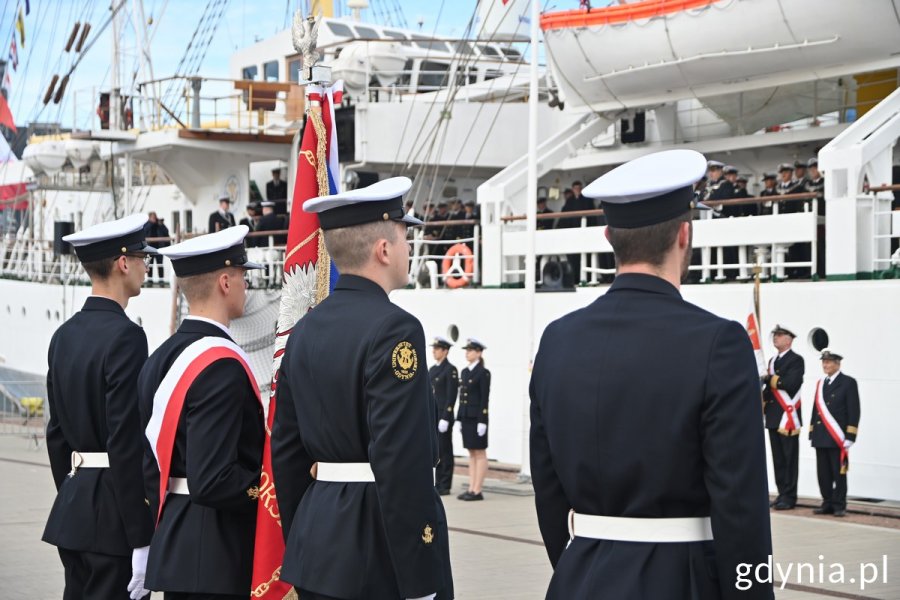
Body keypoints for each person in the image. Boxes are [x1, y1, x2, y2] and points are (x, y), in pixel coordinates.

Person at [530, 149, 773, 600]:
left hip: (578, 576)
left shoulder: (557, 340)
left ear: (608, 236)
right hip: (684, 580)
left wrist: (573, 565)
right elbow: (741, 508)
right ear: (684, 235)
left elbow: (547, 488)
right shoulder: (719, 343)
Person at [271, 177, 453, 600]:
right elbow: (399, 460)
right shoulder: (396, 329)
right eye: (406, 237)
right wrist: (421, 577)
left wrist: (308, 530)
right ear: (384, 249)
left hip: (317, 547)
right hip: (379, 556)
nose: (410, 248)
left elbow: (285, 448)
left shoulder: (303, 331)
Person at [138, 225, 265, 599]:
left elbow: (148, 462)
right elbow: (213, 478)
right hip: (217, 553)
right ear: (225, 282)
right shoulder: (220, 365)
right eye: (243, 276)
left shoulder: (160, 357)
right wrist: (270, 491)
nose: (247, 285)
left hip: (177, 539)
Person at [44, 214, 157, 600]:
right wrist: (141, 534)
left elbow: (57, 434)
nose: (147, 264)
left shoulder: (63, 336)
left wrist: (76, 493)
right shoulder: (127, 337)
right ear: (123, 263)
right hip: (114, 520)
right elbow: (125, 440)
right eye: (142, 256)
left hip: (74, 511)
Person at [810, 349, 860, 518]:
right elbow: (815, 409)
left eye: (829, 362)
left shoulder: (848, 383)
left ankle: (839, 504)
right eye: (824, 362)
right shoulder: (821, 383)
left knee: (839, 473)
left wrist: (850, 435)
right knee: (823, 473)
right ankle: (827, 502)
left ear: (838, 364)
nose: (826, 365)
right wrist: (812, 431)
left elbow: (854, 410)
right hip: (821, 435)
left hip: (837, 437)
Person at [762, 324, 804, 510]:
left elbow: (790, 384)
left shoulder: (796, 360)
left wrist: (768, 379)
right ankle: (781, 494)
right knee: (778, 459)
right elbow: (770, 390)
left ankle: (790, 496)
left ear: (789, 339)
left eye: (779, 335)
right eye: (775, 335)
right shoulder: (771, 361)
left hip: (788, 417)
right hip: (773, 417)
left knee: (789, 459)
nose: (775, 338)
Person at [456, 338, 490, 502]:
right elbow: (461, 397)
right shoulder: (465, 371)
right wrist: (459, 418)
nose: (467, 353)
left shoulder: (483, 373)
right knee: (471, 452)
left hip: (477, 418)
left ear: (479, 353)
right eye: (466, 350)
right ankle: (471, 487)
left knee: (480, 453)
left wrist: (483, 420)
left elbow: (484, 398)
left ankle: (478, 490)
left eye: (470, 350)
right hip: (466, 417)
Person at [431, 336, 460, 496]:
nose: (434, 351)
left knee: (444, 451)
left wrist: (446, 415)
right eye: (433, 348)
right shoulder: (432, 369)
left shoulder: (450, 370)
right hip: (434, 417)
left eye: (437, 349)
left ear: (445, 351)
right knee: (435, 451)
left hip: (443, 417)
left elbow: (451, 395)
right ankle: (437, 481)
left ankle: (445, 483)